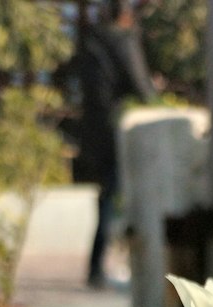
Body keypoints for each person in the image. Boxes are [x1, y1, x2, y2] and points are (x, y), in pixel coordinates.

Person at [75, 0, 155, 289]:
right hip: (119, 130)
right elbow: (140, 85)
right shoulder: (122, 40)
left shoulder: (91, 41)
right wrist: (157, 103)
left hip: (95, 132)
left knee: (107, 198)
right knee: (119, 198)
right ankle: (122, 265)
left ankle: (96, 266)